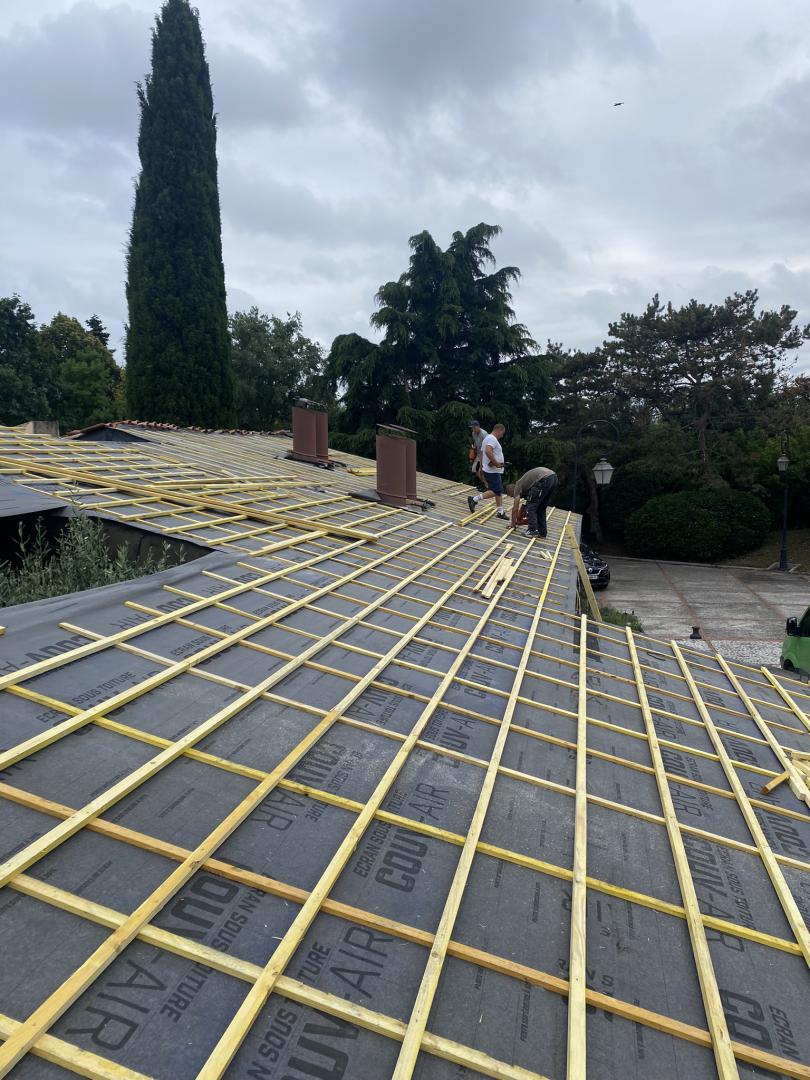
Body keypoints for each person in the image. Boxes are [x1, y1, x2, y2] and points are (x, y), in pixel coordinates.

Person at [467, 423, 508, 520]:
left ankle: (500, 512)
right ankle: (474, 499)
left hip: (490, 469)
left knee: (498, 491)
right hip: (492, 470)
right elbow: (488, 451)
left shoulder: (487, 438)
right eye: (502, 433)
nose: (502, 436)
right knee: (496, 491)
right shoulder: (492, 439)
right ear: (499, 430)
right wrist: (496, 463)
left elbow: (481, 454)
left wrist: (481, 467)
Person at [507, 466, 558, 537]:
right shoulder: (525, 486)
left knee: (531, 507)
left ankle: (532, 530)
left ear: (512, 491)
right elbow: (530, 500)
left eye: (512, 495)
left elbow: (515, 509)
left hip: (544, 479)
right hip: (553, 478)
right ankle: (542, 532)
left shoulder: (517, 486)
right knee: (541, 508)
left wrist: (512, 525)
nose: (513, 497)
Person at [468, 419, 488, 488]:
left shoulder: (484, 434)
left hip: (485, 455)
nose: (472, 429)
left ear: (478, 426)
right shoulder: (473, 433)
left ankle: (487, 486)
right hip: (479, 454)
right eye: (472, 428)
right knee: (474, 469)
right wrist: (472, 452)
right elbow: (475, 443)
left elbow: (488, 446)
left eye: (474, 428)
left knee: (480, 471)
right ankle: (485, 484)